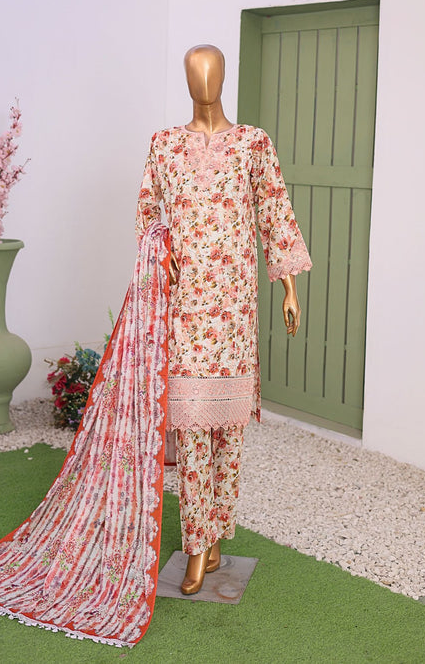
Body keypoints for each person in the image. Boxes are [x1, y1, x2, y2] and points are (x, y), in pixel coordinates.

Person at [136, 44, 312, 595]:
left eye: (210, 71)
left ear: (224, 77)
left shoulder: (251, 144)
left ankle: (215, 541)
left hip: (234, 311)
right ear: (186, 80)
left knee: (227, 434)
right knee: (190, 431)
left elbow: (274, 210)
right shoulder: (163, 147)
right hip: (186, 311)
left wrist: (288, 284)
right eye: (194, 72)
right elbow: (147, 217)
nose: (203, 81)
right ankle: (194, 547)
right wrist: (157, 264)